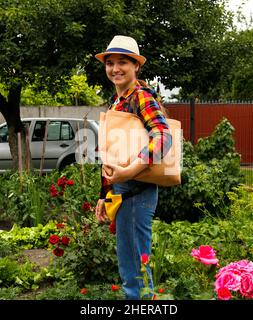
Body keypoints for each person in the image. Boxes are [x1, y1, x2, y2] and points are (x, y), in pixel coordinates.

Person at [94, 35, 172, 300]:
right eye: (110, 62)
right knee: (130, 269)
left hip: (138, 192)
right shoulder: (117, 102)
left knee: (137, 272)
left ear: (136, 66)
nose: (115, 68)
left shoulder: (140, 96)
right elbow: (110, 154)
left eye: (123, 62)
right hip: (123, 193)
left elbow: (163, 137)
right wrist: (105, 195)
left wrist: (130, 170)